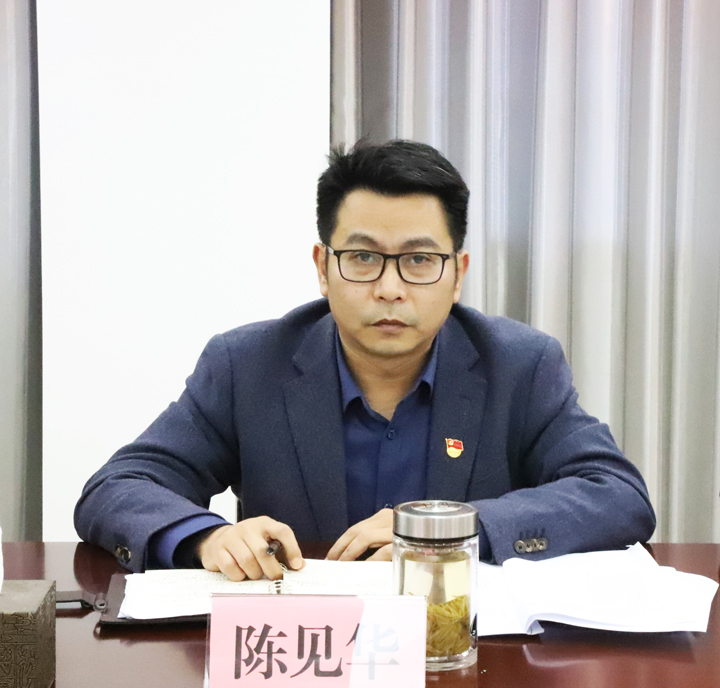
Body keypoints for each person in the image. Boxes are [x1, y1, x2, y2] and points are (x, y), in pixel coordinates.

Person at [75, 140, 655, 581]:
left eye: (419, 260)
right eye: (362, 257)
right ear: (323, 268)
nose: (390, 289)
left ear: (457, 275)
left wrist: (448, 531)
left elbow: (617, 494)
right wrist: (205, 537)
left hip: (458, 649)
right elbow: (118, 486)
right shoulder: (247, 365)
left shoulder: (519, 366)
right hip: (305, 655)